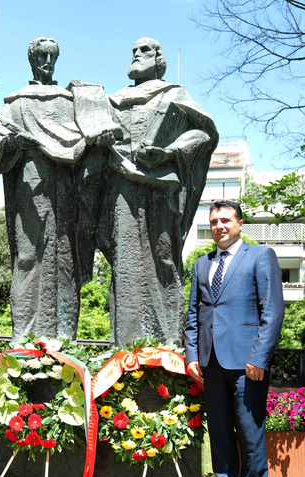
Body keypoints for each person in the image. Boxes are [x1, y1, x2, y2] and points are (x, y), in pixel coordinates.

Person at [96, 37, 218, 346]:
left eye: (144, 50)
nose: (136, 54)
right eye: (134, 50)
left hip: (162, 186)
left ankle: (166, 343)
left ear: (158, 58)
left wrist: (169, 151)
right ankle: (124, 346)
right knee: (124, 261)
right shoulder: (111, 100)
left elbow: (203, 132)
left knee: (163, 256)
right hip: (121, 184)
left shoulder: (174, 94)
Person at [0, 37, 90, 341]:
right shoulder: (16, 102)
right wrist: (13, 142)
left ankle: (64, 336)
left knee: (65, 257)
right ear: (31, 59)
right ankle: (24, 337)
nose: (47, 61)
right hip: (29, 184)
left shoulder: (68, 99)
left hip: (65, 185)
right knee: (27, 256)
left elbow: (92, 131)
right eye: (41, 55)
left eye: (52, 56)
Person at [183, 199, 285, 477]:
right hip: (210, 363)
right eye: (213, 222)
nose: (219, 226)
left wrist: (259, 356)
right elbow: (193, 317)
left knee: (250, 431)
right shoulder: (202, 264)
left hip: (246, 363)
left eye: (226, 220)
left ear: (240, 223)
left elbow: (272, 312)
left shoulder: (260, 256)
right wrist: (192, 356)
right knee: (220, 432)